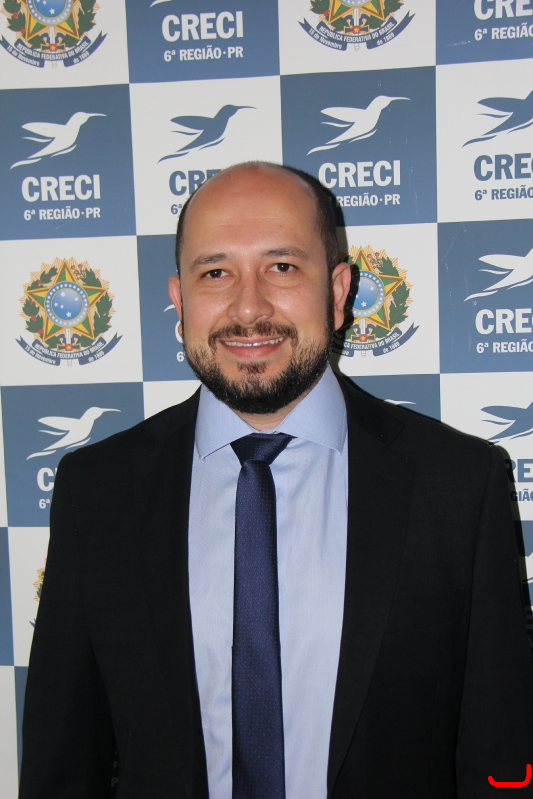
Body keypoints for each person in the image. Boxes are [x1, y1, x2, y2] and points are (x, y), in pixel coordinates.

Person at [19, 162, 533, 799]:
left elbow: (502, 751)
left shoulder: (459, 484)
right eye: (215, 273)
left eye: (282, 266)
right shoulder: (96, 491)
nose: (249, 307)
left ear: (338, 293)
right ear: (179, 300)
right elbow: (62, 766)